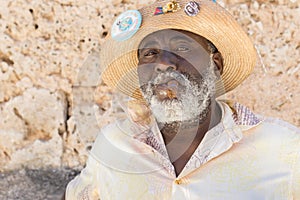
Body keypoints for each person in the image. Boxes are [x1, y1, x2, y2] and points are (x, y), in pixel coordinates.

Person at [65, 0, 300, 199]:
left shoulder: (284, 150)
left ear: (215, 65)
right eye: (150, 53)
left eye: (182, 48)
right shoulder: (113, 144)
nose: (164, 63)